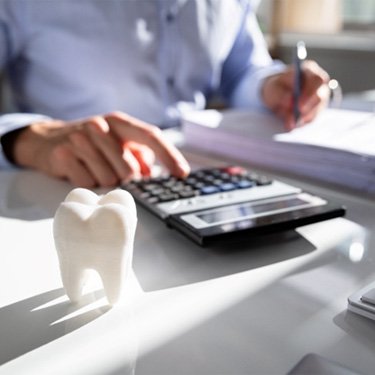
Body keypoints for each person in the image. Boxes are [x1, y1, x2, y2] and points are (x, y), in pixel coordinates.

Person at [0, 0, 330, 187]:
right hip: (67, 186)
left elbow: (241, 71)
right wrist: (29, 139)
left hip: (202, 177)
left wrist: (271, 87)